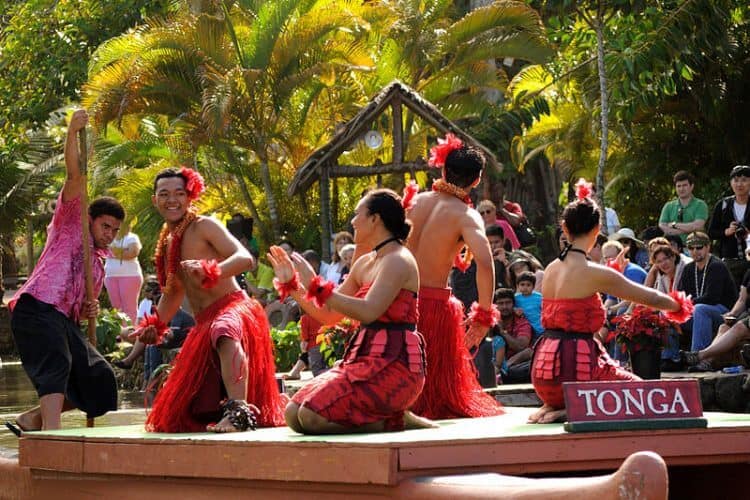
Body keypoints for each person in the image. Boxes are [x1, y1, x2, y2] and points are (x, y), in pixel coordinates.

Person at [133, 167, 286, 433]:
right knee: (182, 416)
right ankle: (239, 408)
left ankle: (239, 412)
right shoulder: (168, 241)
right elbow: (173, 293)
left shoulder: (204, 226)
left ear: (190, 196)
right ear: (154, 199)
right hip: (203, 322)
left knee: (223, 329)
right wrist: (154, 326)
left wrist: (211, 270)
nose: (172, 200)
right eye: (164, 194)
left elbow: (245, 259)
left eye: (179, 193)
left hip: (233, 307)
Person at [268, 189, 433, 433]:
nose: (353, 221)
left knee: (312, 417)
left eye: (358, 214)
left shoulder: (399, 260)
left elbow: (369, 311)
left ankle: (395, 420)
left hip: (396, 366)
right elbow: (328, 315)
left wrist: (318, 286)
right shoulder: (365, 263)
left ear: (375, 219)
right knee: (294, 413)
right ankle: (388, 418)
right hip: (360, 361)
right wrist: (293, 286)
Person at [529, 179, 691, 424]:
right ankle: (571, 408)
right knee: (641, 393)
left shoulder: (551, 268)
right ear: (597, 230)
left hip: (543, 372)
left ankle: (555, 404)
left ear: (564, 228)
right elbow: (650, 297)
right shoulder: (595, 273)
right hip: (575, 372)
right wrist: (679, 305)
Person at [8, 109, 122, 431]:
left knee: (100, 378)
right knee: (57, 362)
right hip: (37, 306)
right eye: (105, 225)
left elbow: (80, 309)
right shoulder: (70, 221)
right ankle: (52, 435)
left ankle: (33, 419)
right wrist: (72, 131)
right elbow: (74, 174)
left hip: (60, 319)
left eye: (114, 229)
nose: (109, 233)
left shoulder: (98, 265)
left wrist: (89, 307)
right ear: (91, 219)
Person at [405, 133, 503, 419]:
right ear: (476, 181)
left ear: (442, 169)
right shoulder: (465, 215)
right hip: (433, 307)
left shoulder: (412, 202)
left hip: (391, 298)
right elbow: (485, 262)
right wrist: (484, 314)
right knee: (438, 401)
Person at [677, 232, 737, 353]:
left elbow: (712, 298)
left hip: (724, 312)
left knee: (700, 309)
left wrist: (687, 304)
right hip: (696, 311)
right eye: (690, 248)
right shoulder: (689, 269)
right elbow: (682, 294)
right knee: (667, 313)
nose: (694, 251)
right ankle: (670, 357)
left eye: (699, 247)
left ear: (708, 247)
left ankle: (698, 355)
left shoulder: (716, 266)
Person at [708, 165, 750, 287]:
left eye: (744, 180)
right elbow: (711, 232)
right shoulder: (723, 205)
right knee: (731, 295)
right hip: (729, 260)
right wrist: (726, 232)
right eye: (736, 180)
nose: (739, 184)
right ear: (731, 183)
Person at [490, 288, 533, 384]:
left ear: (513, 304)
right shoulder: (490, 320)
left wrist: (502, 331)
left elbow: (521, 347)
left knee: (528, 352)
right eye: (500, 303)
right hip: (492, 366)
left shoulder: (521, 322)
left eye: (508, 303)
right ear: (494, 306)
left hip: (514, 366)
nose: (505, 306)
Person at [104, 226, 143, 324]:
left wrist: (112, 250)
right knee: (116, 309)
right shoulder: (108, 237)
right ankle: (120, 334)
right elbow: (102, 250)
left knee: (129, 308)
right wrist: (123, 250)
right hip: (110, 276)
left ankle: (130, 334)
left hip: (130, 276)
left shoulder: (132, 237)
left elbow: (132, 253)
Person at [659, 171, 708, 243]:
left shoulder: (700, 205)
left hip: (694, 248)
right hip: (672, 248)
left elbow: (697, 226)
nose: (681, 189)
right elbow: (662, 226)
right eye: (678, 186)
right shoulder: (668, 206)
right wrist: (687, 229)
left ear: (692, 186)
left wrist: (674, 225)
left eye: (684, 185)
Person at [515, 272, 543, 337]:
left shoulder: (539, 297)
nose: (525, 287)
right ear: (518, 286)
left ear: (533, 286)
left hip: (540, 328)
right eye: (522, 284)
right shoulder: (516, 298)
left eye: (528, 285)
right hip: (525, 329)